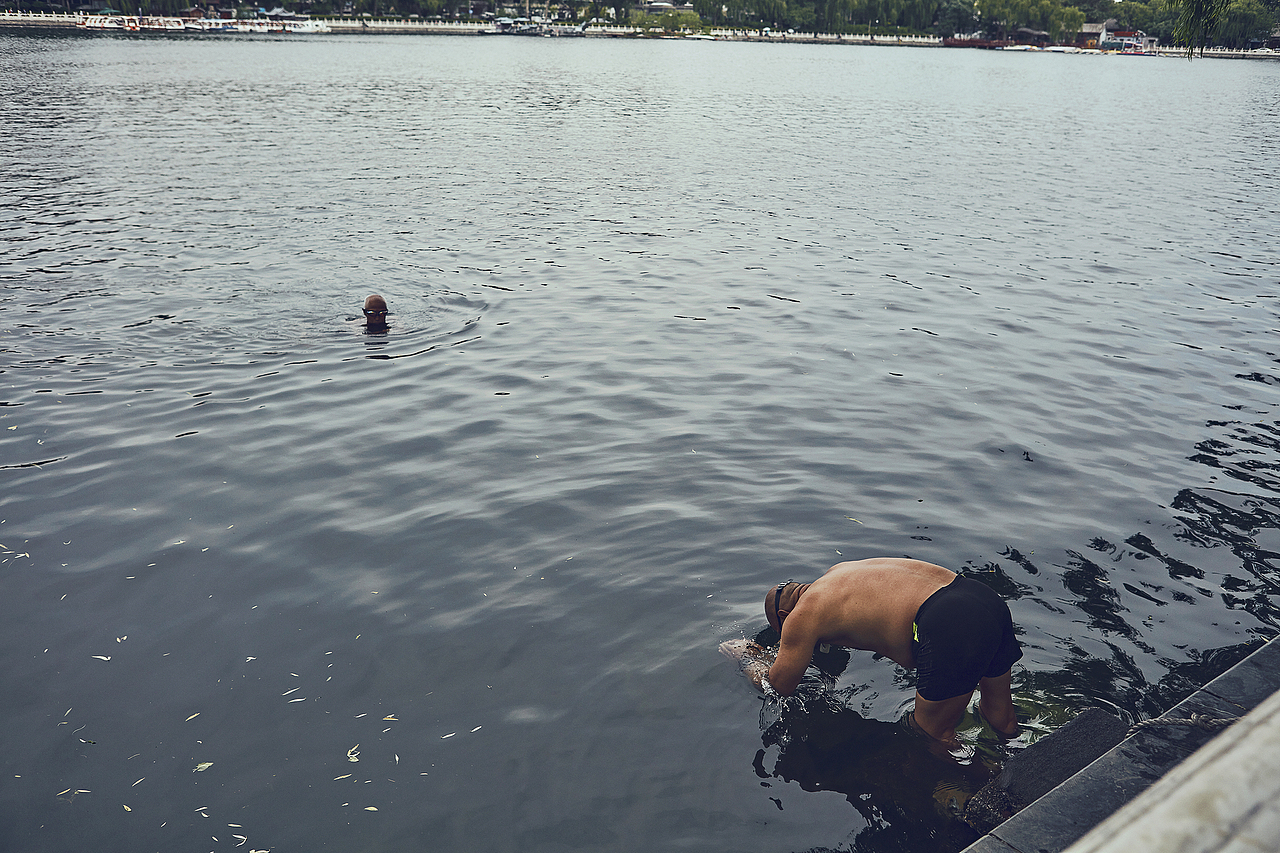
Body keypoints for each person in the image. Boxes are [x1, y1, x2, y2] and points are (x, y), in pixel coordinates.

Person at [731, 558, 1021, 745]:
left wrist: (747, 658)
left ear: (784, 614)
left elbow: (780, 686)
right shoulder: (838, 572)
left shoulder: (801, 615)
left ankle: (988, 785)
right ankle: (1017, 757)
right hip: (982, 597)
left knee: (931, 733)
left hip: (947, 620)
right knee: (1000, 714)